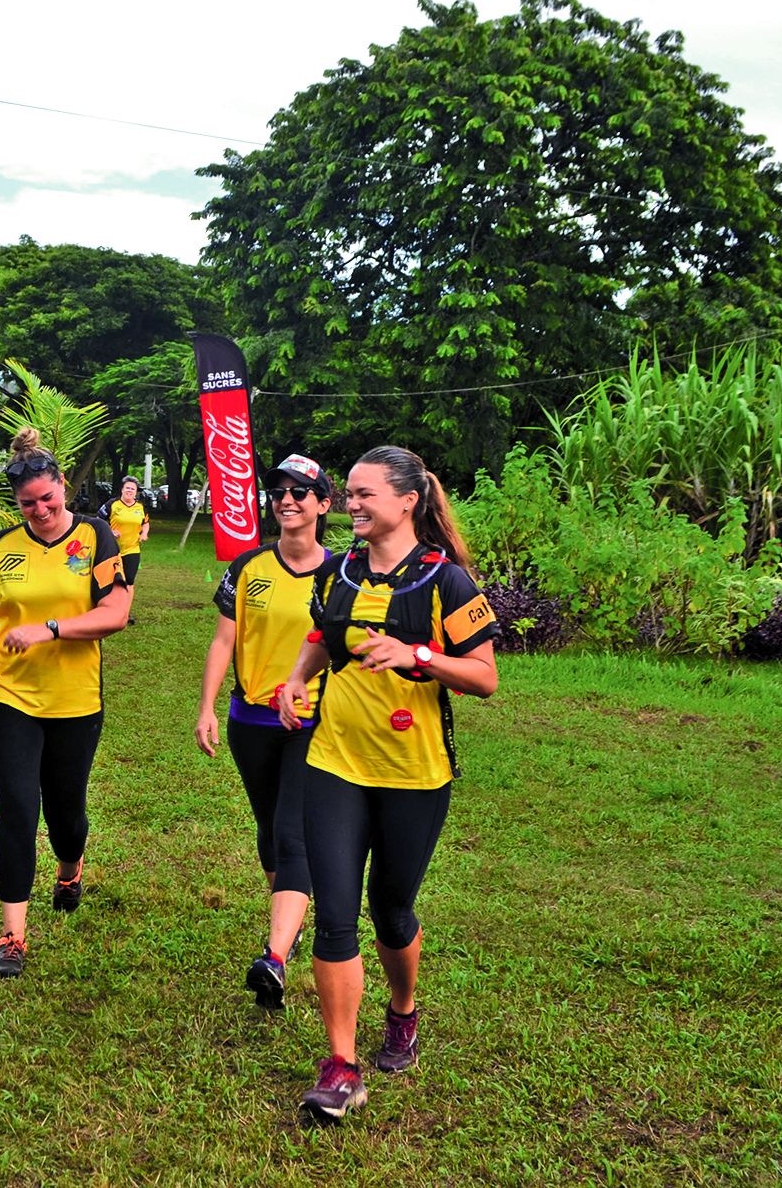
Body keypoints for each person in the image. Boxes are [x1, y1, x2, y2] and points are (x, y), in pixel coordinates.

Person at [276, 446, 498, 1121]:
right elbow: (324, 634)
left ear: (407, 500)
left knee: (391, 909)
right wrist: (296, 676)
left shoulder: (445, 581)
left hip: (414, 774)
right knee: (335, 912)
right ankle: (341, 1067)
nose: (351, 503)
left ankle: (401, 1009)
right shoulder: (338, 569)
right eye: (348, 493)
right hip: (334, 762)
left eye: (364, 493)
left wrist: (418, 655)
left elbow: (484, 676)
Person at [0, 429, 131, 978]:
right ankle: (13, 935)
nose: (39, 510)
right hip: (5, 694)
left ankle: (70, 865)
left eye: (48, 498)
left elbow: (115, 614)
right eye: (28, 502)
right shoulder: (4, 545)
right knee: (17, 807)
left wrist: (50, 629)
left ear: (64, 487)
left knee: (66, 813)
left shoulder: (96, 537)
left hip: (73, 701)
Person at [195, 453, 336, 1010]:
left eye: (301, 492)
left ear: (324, 504)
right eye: (278, 491)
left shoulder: (341, 571)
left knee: (292, 828)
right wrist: (206, 707)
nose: (287, 500)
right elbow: (224, 641)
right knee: (268, 828)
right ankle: (293, 911)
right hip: (248, 720)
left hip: (312, 722)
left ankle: (274, 956)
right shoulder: (248, 566)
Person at [100, 477, 153, 620]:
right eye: (127, 488)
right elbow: (98, 521)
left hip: (132, 549)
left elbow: (146, 522)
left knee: (129, 581)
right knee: (110, 581)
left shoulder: (140, 507)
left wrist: (144, 533)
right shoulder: (112, 504)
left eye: (133, 489)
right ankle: (107, 609)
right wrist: (110, 532)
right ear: (122, 489)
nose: (130, 491)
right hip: (112, 549)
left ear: (136, 492)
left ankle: (125, 613)